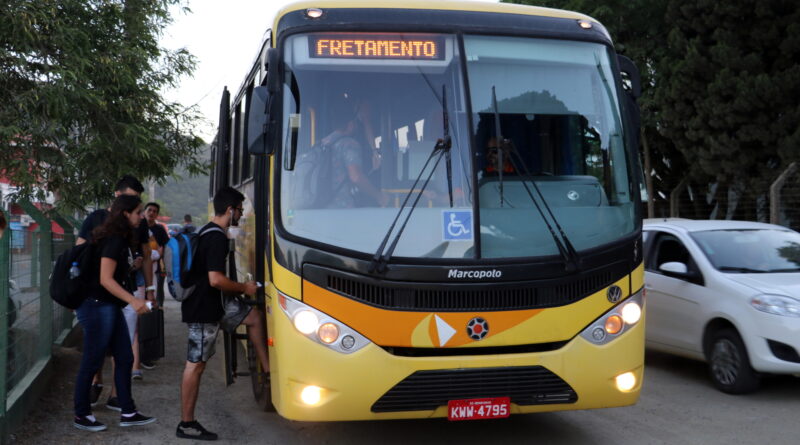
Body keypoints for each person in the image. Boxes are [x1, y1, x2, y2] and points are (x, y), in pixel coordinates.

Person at [177, 187, 269, 441]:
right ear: (230, 210)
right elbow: (216, 280)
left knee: (253, 318)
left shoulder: (207, 230)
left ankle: (268, 371)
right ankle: (186, 423)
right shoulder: (216, 237)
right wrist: (244, 288)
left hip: (216, 305)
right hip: (203, 310)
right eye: (240, 210)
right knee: (195, 365)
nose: (241, 215)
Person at [73, 194, 156, 431]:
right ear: (124, 214)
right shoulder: (114, 240)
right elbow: (105, 279)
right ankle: (81, 414)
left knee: (125, 356)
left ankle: (128, 411)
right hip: (97, 305)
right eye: (138, 212)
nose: (142, 216)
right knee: (92, 360)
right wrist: (134, 300)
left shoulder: (119, 238)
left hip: (108, 305)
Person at [319, 102, 388, 208]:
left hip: (323, 207)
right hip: (344, 209)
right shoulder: (349, 144)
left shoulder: (322, 144)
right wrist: (378, 196)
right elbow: (356, 177)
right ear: (351, 125)